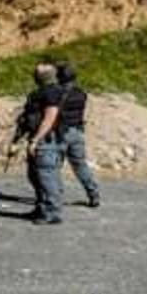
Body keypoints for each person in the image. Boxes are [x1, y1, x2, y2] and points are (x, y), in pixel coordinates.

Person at [22, 62, 66, 225]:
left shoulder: (51, 93)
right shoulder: (44, 92)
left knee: (46, 177)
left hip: (45, 141)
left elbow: (49, 118)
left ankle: (52, 212)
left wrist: (35, 140)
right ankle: (42, 208)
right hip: (43, 139)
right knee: (36, 176)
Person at [56, 62, 100, 208]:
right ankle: (93, 193)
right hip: (76, 132)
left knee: (54, 167)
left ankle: (55, 196)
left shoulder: (57, 93)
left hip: (60, 133)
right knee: (80, 165)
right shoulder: (80, 93)